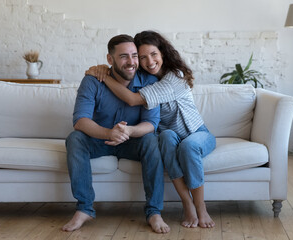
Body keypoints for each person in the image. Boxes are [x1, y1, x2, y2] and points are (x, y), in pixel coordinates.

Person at [86, 30, 216, 228]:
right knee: (164, 138)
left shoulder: (175, 77)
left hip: (197, 133)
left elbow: (132, 100)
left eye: (154, 54)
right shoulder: (142, 79)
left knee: (188, 147)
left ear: (162, 53)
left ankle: (201, 208)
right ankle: (187, 204)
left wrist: (105, 76)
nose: (149, 61)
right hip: (170, 136)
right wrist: (104, 68)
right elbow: (123, 70)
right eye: (143, 57)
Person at [63, 34, 171, 234]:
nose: (131, 62)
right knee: (75, 139)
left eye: (134, 55)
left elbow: (151, 123)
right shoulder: (92, 80)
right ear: (110, 59)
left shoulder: (149, 81)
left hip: (133, 141)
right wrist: (109, 133)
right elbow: (80, 120)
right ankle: (84, 208)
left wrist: (129, 131)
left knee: (151, 140)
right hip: (100, 140)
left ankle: (154, 211)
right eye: (123, 56)